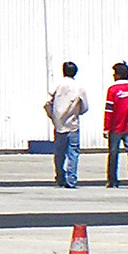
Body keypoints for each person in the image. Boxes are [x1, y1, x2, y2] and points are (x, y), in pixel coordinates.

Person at [44, 60, 87, 188]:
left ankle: (60, 177)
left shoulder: (57, 85)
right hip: (73, 124)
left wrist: (53, 115)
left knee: (59, 153)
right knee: (73, 153)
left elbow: (47, 102)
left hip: (59, 124)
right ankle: (71, 179)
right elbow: (85, 107)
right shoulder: (79, 87)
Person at [104, 61, 128, 188]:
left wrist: (106, 127)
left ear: (118, 75)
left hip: (116, 127)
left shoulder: (113, 90)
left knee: (113, 153)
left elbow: (109, 111)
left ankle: (112, 180)